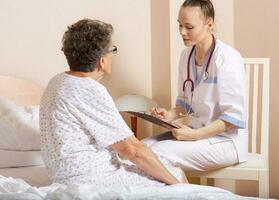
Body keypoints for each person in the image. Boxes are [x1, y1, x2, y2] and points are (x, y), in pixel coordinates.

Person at [39, 19, 186, 186]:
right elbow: (133, 150)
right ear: (101, 60)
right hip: (92, 178)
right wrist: (178, 186)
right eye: (112, 50)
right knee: (177, 175)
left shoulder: (57, 81)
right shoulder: (89, 90)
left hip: (62, 176)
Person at [143, 0, 247, 172]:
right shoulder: (186, 56)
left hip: (226, 142)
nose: (182, 32)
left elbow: (233, 118)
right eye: (180, 25)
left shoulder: (228, 58)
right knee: (142, 146)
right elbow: (184, 106)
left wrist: (195, 135)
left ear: (209, 24)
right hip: (195, 133)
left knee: (157, 152)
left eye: (189, 27)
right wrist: (169, 115)